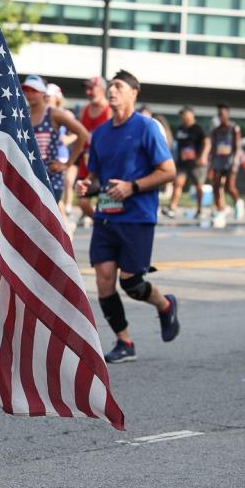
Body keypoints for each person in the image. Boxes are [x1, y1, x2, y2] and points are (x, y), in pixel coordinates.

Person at [75, 70, 180, 363]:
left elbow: (169, 172)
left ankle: (164, 304)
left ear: (135, 92)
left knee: (132, 283)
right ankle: (124, 341)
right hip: (106, 215)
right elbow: (96, 177)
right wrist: (87, 185)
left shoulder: (147, 128)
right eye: (110, 87)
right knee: (104, 280)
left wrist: (132, 187)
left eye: (119, 86)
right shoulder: (101, 134)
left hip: (137, 215)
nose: (112, 91)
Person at [21, 75, 89, 233]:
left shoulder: (53, 113)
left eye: (33, 90)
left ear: (43, 94)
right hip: (29, 176)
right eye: (26, 90)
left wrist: (67, 164)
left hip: (51, 176)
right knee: (30, 223)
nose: (29, 94)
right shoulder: (23, 115)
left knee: (43, 222)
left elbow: (82, 134)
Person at [74, 76, 112, 223]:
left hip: (104, 162)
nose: (88, 92)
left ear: (102, 89)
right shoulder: (84, 110)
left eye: (92, 88)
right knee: (82, 202)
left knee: (106, 202)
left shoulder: (109, 110)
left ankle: (106, 224)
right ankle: (100, 222)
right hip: (86, 161)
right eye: (87, 89)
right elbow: (78, 135)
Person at [164, 107, 210, 219]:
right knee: (178, 184)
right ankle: (172, 208)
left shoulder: (198, 128)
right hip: (183, 163)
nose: (184, 117)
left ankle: (200, 209)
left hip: (196, 163)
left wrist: (203, 157)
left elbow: (207, 142)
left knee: (198, 186)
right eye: (182, 115)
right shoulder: (180, 129)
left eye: (185, 114)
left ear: (192, 114)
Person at [209, 103, 243, 228]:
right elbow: (212, 148)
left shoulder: (234, 128)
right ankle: (220, 210)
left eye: (222, 114)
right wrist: (210, 164)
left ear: (227, 114)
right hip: (218, 161)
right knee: (216, 186)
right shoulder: (216, 131)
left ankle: (238, 201)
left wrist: (235, 161)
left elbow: (238, 146)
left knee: (230, 187)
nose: (220, 117)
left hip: (230, 161)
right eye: (219, 114)